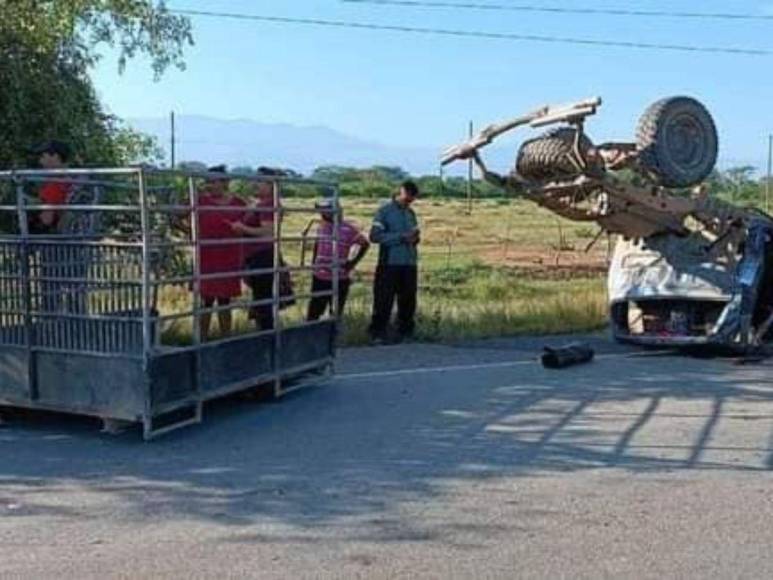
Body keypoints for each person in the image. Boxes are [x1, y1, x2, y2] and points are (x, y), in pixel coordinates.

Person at [196, 165, 247, 340]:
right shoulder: (200, 201)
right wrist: (191, 233)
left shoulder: (239, 203)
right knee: (206, 299)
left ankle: (226, 339)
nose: (209, 185)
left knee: (225, 300)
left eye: (212, 181)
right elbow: (178, 215)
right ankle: (201, 340)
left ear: (225, 182)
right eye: (207, 182)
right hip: (207, 255)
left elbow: (250, 225)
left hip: (229, 256)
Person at [368, 180, 421, 344]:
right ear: (400, 192)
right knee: (384, 299)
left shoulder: (411, 213)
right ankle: (378, 334)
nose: (409, 201)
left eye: (412, 199)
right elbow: (374, 236)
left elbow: (415, 234)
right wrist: (400, 237)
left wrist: (414, 239)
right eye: (407, 197)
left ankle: (405, 333)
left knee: (408, 300)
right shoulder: (384, 212)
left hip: (409, 263)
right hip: (389, 263)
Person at [307, 197, 369, 321]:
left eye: (326, 211)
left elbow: (365, 244)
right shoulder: (321, 227)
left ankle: (332, 337)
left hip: (340, 276)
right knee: (314, 311)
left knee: (335, 312)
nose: (322, 214)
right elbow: (317, 243)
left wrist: (352, 262)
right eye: (322, 211)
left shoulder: (348, 229)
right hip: (320, 276)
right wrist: (314, 263)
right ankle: (312, 336)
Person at [239, 168, 281, 331]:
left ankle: (266, 337)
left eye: (259, 181)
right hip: (257, 255)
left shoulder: (268, 204)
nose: (255, 184)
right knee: (260, 298)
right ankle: (264, 335)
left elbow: (268, 233)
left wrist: (242, 228)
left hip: (261, 255)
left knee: (262, 299)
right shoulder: (262, 204)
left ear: (270, 185)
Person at [31, 140, 72, 233]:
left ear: (55, 156)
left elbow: (47, 220)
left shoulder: (55, 184)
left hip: (51, 239)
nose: (40, 161)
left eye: (43, 156)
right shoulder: (72, 179)